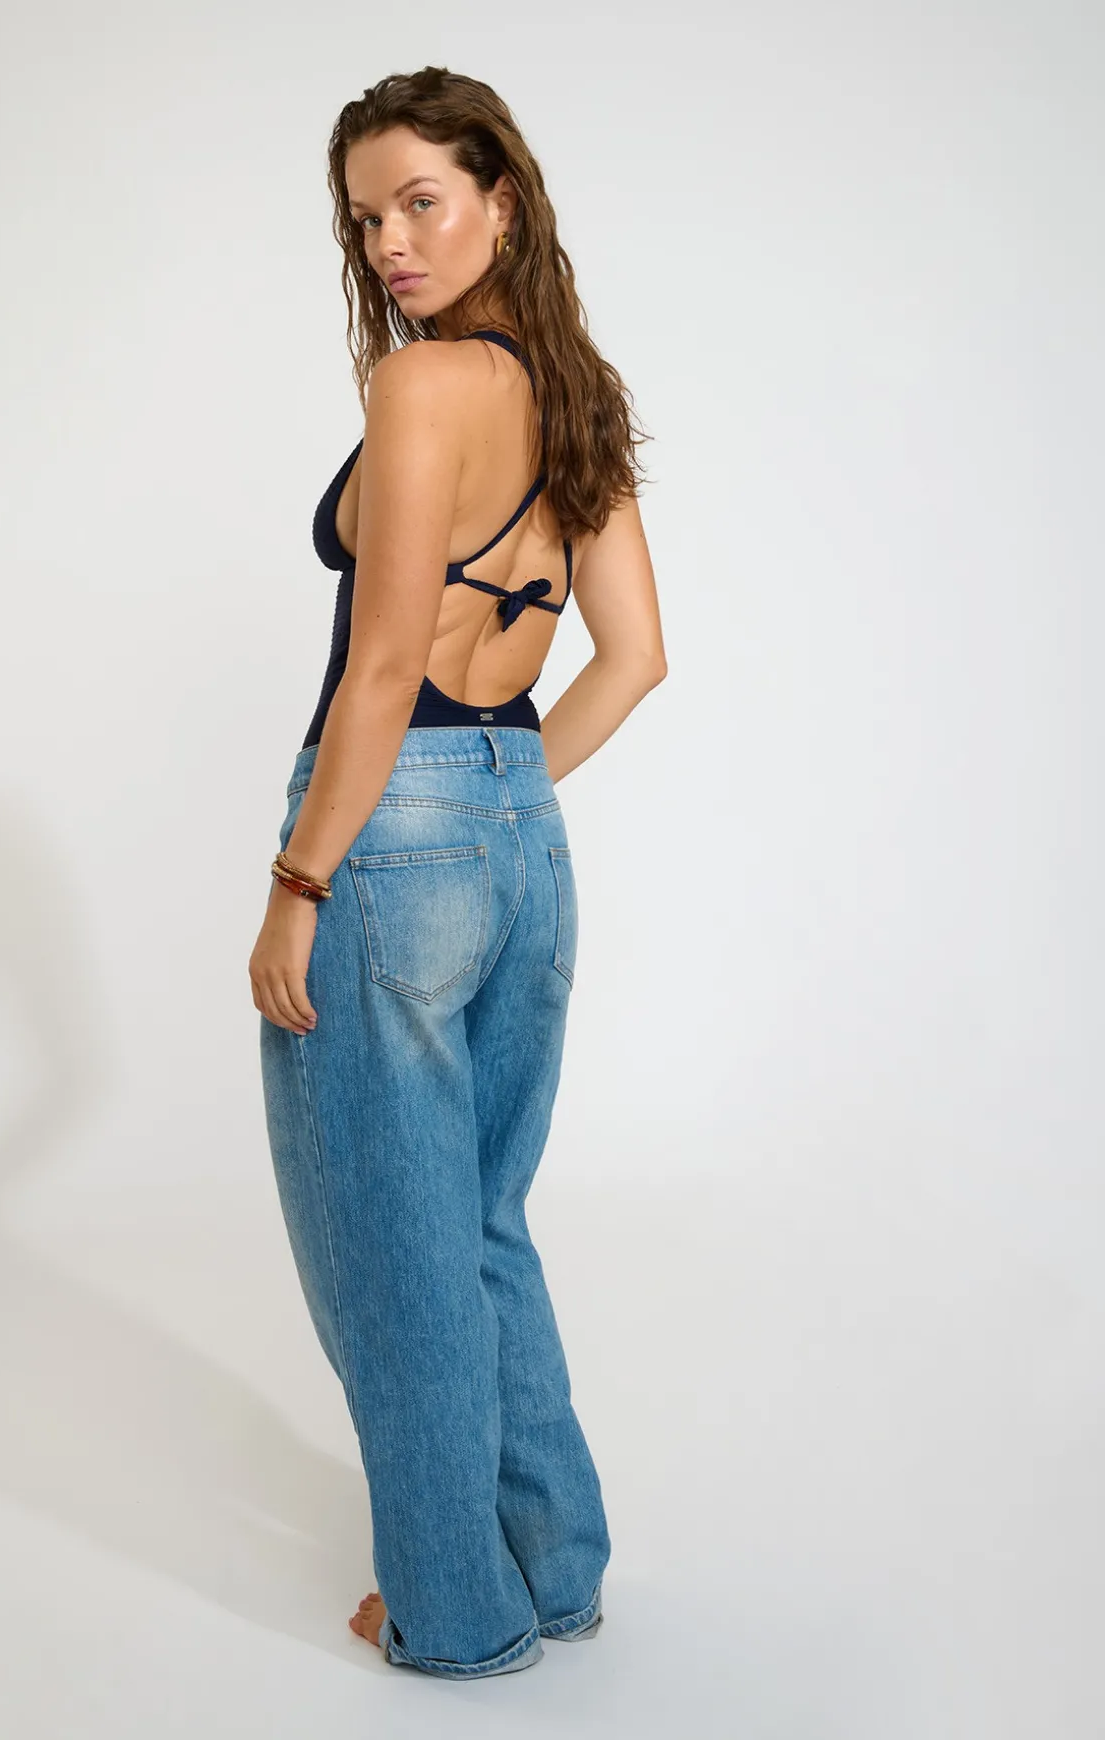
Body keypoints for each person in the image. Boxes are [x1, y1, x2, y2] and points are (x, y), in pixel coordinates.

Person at [251, 65, 667, 1680]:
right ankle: (555, 1568)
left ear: (503, 198)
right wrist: (499, 795)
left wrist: (300, 884)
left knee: (396, 1247)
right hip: (518, 835)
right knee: (484, 1222)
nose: (392, 243)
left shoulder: (421, 387)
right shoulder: (577, 399)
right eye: (367, 217)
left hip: (386, 830)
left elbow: (378, 671)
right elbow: (632, 658)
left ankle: (457, 1610)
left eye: (421, 201)